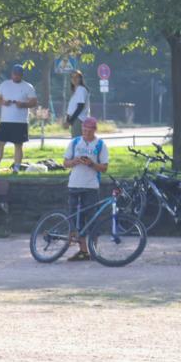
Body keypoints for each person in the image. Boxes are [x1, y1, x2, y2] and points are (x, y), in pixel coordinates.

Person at [63, 117, 109, 261]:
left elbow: (104, 168)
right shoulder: (75, 142)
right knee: (76, 219)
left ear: (95, 130)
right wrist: (74, 161)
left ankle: (93, 250)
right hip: (74, 184)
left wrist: (91, 164)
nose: (86, 133)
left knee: (92, 219)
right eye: (84, 130)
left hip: (91, 186)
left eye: (89, 131)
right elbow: (65, 163)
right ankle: (83, 251)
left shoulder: (100, 145)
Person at [0, 64, 37, 174]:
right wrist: (3, 102)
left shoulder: (28, 86)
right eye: (15, 74)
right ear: (12, 74)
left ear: (22, 75)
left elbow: (34, 102)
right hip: (5, 121)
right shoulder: (4, 85)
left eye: (18, 75)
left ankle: (16, 168)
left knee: (18, 145)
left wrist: (23, 105)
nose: (16, 76)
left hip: (20, 121)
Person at [64, 70, 90, 138]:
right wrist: (67, 119)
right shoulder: (75, 91)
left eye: (76, 77)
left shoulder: (81, 89)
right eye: (72, 77)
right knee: (75, 142)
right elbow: (71, 108)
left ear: (80, 78)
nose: (74, 79)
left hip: (79, 119)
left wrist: (70, 121)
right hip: (75, 119)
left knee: (78, 142)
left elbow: (80, 107)